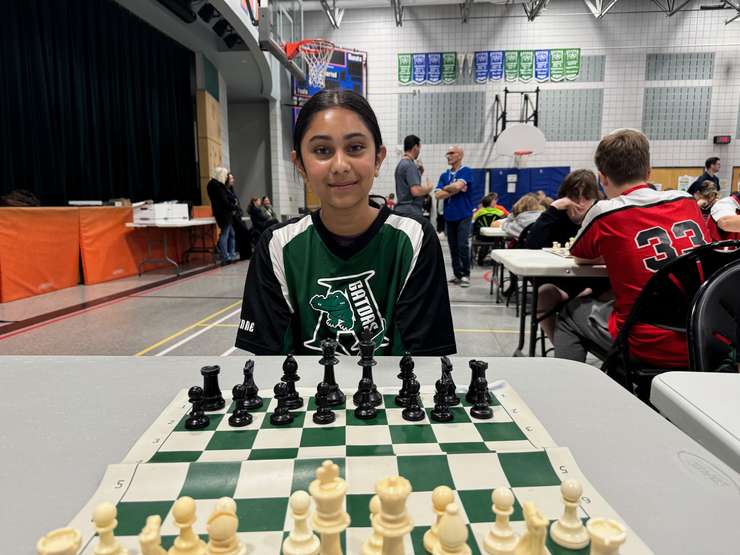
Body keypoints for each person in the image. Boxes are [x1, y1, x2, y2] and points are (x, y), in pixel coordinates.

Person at [235, 89, 456, 356]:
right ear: (300, 165)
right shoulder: (276, 245)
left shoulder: (414, 237)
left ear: (378, 159)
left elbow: (420, 364)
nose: (340, 165)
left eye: (355, 148)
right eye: (322, 150)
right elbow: (271, 365)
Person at [553, 129, 711, 369]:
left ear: (602, 178)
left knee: (569, 313)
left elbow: (579, 255)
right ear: (649, 172)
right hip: (705, 334)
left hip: (646, 342)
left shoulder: (605, 211)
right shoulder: (686, 201)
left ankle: (567, 389)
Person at [524, 169, 609, 341]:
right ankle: (560, 344)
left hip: (594, 281)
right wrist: (552, 210)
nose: (581, 203)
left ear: (595, 198)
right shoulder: (555, 216)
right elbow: (531, 245)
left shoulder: (601, 215)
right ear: (565, 196)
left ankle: (590, 342)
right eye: (575, 197)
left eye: (586, 197)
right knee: (544, 293)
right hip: (559, 280)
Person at [434, 145, 477, 287]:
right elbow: (437, 195)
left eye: (451, 153)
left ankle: (466, 274)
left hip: (464, 214)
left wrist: (449, 188)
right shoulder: (444, 175)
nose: (448, 156)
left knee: (462, 244)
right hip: (449, 215)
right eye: (447, 153)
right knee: (452, 246)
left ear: (460, 155)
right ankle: (457, 274)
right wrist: (452, 188)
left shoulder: (466, 171)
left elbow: (457, 187)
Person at [394, 135, 434, 216]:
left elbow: (406, 186)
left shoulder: (401, 164)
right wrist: (429, 188)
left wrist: (419, 173)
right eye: (419, 148)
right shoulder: (410, 165)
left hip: (402, 210)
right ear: (415, 147)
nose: (419, 151)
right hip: (411, 211)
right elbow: (416, 191)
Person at [206, 166, 237, 263]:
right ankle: (226, 256)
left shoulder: (211, 185)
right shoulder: (218, 186)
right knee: (225, 234)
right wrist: (234, 206)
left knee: (231, 234)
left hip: (221, 213)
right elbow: (225, 201)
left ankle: (230, 254)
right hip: (224, 214)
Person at [472, 193, 508, 265]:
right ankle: (499, 260)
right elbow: (506, 220)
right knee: (499, 242)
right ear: (493, 204)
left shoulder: (479, 212)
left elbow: (473, 221)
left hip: (481, 237)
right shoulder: (499, 212)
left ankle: (480, 260)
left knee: (485, 243)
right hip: (496, 237)